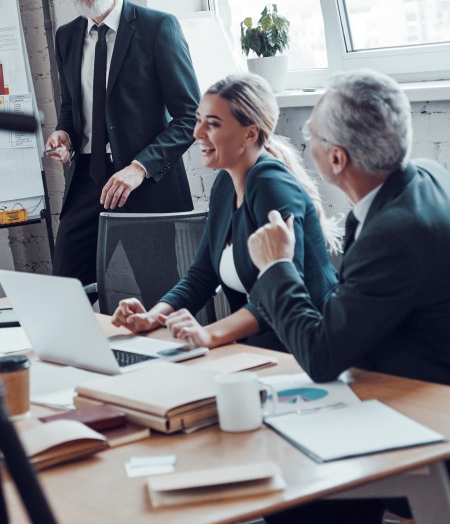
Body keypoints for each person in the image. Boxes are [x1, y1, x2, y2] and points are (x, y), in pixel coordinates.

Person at [247, 69, 450, 524]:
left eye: (310, 133)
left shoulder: (395, 235)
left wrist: (277, 266)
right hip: (420, 385)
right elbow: (348, 311)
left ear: (336, 159)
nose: (304, 140)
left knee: (292, 486)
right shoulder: (423, 177)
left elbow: (321, 355)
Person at [111, 73, 339, 351]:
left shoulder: (271, 185)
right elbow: (201, 275)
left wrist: (210, 334)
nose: (197, 134)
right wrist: (152, 317)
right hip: (258, 348)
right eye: (198, 120)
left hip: (309, 348)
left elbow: (285, 290)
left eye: (213, 124)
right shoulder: (226, 182)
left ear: (250, 133)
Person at [45, 0, 200, 291]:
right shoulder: (66, 37)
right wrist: (64, 134)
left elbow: (190, 116)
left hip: (144, 187)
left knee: (157, 299)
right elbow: (71, 107)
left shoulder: (158, 28)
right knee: (63, 297)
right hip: (85, 183)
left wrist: (138, 168)